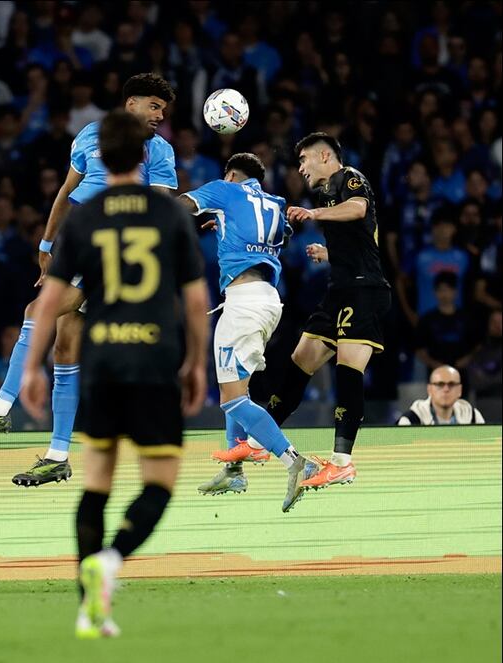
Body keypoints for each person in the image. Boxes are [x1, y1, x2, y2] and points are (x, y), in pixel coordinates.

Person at [21, 110, 208, 638]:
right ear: (146, 156)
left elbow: (51, 299)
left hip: (101, 361)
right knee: (159, 483)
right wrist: (195, 361)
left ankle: (87, 608)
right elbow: (194, 298)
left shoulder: (84, 216)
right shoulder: (169, 214)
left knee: (97, 480)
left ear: (99, 156)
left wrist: (34, 364)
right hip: (153, 359)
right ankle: (115, 557)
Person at [0, 73, 178, 489]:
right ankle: (57, 455)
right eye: (153, 107)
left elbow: (161, 211)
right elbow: (65, 192)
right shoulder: (89, 136)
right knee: (64, 342)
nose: (159, 116)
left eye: (163, 111)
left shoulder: (158, 151)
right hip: (82, 244)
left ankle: (1, 407)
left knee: (36, 310)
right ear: (130, 104)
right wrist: (46, 241)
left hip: (117, 253)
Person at [178, 153, 317, 512]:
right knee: (237, 385)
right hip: (269, 300)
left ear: (232, 173)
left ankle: (294, 460)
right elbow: (280, 231)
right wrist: (223, 225)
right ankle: (234, 470)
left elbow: (181, 206)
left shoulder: (225, 189)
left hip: (242, 303)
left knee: (230, 397)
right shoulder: (276, 202)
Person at [262, 132, 392, 490]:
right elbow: (364, 241)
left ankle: (342, 462)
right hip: (340, 289)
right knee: (300, 357)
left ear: (323, 156)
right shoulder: (327, 191)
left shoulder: (349, 177)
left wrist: (315, 213)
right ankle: (260, 439)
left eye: (304, 160)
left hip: (365, 289)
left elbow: (360, 208)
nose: (300, 168)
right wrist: (329, 253)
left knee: (348, 369)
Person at [397, 365, 485, 425]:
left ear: (460, 390)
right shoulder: (412, 420)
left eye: (452, 384)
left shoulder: (472, 416)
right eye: (440, 384)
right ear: (429, 389)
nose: (446, 389)